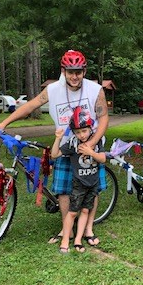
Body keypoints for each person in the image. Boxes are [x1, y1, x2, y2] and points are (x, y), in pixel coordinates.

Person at [0, 49, 109, 246]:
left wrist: (92, 143)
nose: (75, 76)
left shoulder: (95, 90)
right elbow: (30, 106)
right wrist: (4, 123)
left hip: (90, 145)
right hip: (65, 146)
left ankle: (88, 229)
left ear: (84, 71)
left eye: (78, 72)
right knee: (63, 189)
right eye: (70, 72)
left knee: (91, 187)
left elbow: (103, 118)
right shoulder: (53, 90)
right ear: (63, 71)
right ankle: (67, 229)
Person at [51, 107, 108, 253]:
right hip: (79, 184)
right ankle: (65, 241)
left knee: (85, 210)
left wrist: (90, 152)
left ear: (90, 129)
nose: (81, 135)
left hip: (93, 183)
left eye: (84, 131)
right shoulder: (72, 143)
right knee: (72, 212)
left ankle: (78, 240)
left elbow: (103, 158)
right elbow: (55, 154)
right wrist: (58, 138)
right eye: (77, 132)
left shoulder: (96, 142)